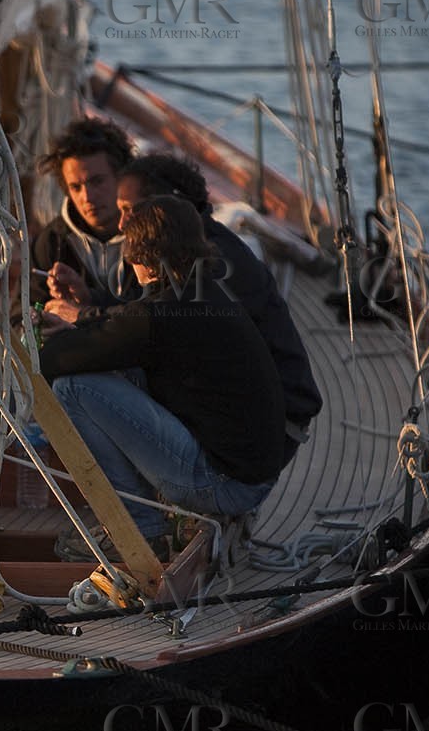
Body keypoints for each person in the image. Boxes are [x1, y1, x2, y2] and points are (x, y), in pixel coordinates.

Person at [41, 196, 287, 560]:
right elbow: (130, 321)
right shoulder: (204, 291)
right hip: (253, 475)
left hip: (224, 485)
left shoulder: (162, 316)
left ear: (141, 260)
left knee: (73, 388)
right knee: (122, 368)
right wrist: (83, 319)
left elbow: (54, 362)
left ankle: (140, 528)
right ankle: (148, 519)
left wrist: (35, 341)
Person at [114, 153, 323, 461]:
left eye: (131, 211)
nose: (121, 223)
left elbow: (150, 330)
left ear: (166, 206)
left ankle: (144, 501)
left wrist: (84, 323)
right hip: (251, 416)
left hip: (268, 430)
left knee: (92, 387)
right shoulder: (189, 245)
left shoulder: (214, 263)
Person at [31, 118, 141, 323]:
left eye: (97, 181)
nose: (87, 197)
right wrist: (40, 321)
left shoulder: (154, 236)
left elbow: (159, 313)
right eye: (75, 187)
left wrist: (85, 308)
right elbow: (19, 316)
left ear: (123, 177)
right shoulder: (52, 242)